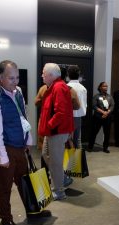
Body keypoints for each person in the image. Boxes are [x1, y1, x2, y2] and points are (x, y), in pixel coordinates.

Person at [0, 60, 51, 225]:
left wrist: (28, 139)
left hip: (20, 146)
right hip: (5, 149)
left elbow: (23, 116)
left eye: (17, 77)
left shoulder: (18, 92)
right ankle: (6, 221)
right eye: (11, 78)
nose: (15, 82)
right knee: (4, 187)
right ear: (0, 77)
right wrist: (2, 156)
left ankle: (33, 211)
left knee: (24, 181)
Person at [38, 63, 74, 200]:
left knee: (55, 162)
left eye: (44, 73)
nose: (42, 75)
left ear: (51, 75)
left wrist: (49, 124)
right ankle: (62, 179)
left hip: (57, 131)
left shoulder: (58, 87)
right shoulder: (55, 87)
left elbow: (61, 112)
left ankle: (59, 191)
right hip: (54, 131)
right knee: (46, 155)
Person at [87, 82, 114, 153]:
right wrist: (103, 112)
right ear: (100, 87)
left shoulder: (109, 96)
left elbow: (112, 106)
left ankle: (105, 148)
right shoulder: (96, 96)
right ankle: (90, 147)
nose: (106, 88)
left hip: (107, 117)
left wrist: (107, 112)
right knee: (94, 132)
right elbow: (94, 106)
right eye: (104, 86)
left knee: (107, 133)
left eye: (106, 86)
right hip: (97, 117)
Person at [67, 65, 87, 149]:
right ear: (79, 74)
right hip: (78, 117)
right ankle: (78, 161)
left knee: (68, 140)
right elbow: (84, 104)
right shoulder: (83, 88)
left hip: (68, 117)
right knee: (77, 140)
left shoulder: (66, 87)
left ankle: (71, 161)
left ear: (68, 75)